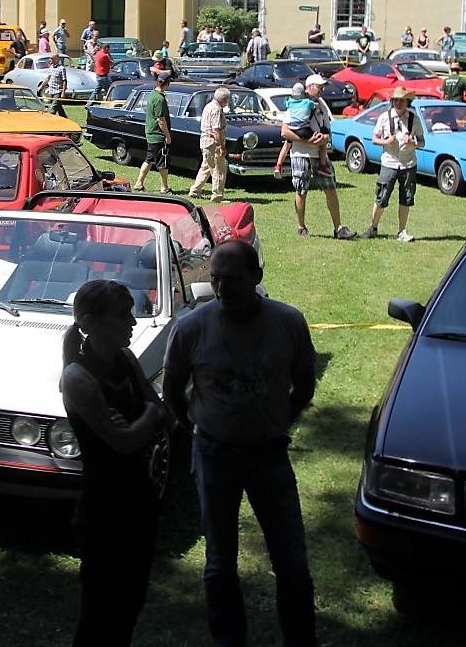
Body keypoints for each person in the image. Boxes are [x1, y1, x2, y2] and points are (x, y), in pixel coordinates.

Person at [162, 239, 319, 647]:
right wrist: (197, 428)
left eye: (232, 280)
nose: (221, 289)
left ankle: (300, 639)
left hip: (269, 454)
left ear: (257, 277)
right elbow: (173, 390)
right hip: (214, 455)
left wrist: (278, 420)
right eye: (215, 279)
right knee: (219, 564)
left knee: (292, 562)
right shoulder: (192, 328)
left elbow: (305, 382)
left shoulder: (288, 322)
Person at [61, 279, 173, 647]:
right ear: (90, 323)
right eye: (122, 315)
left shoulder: (124, 360)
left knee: (130, 601)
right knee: (101, 608)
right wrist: (147, 419)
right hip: (103, 509)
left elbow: (159, 410)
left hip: (138, 499)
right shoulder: (77, 377)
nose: (133, 322)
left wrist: (146, 418)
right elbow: (126, 439)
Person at [283, 75, 355, 240]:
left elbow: (327, 130)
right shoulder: (297, 103)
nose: (322, 89)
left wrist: (324, 138)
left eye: (323, 87)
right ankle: (301, 227)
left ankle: (339, 228)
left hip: (319, 153)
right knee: (301, 190)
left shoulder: (322, 104)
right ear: (309, 87)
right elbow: (285, 131)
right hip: (301, 153)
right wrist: (306, 139)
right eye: (319, 86)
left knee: (331, 188)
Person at [366, 87, 425, 241]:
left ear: (407, 102)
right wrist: (386, 141)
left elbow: (422, 142)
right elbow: (374, 138)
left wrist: (413, 142)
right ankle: (373, 227)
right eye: (396, 100)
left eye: (402, 100)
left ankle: (402, 231)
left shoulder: (414, 119)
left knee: (406, 198)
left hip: (408, 164)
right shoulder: (384, 117)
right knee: (382, 197)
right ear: (392, 101)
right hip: (389, 163)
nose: (398, 103)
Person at [132, 74, 173, 194]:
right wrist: (167, 136)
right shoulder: (159, 99)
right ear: (167, 84)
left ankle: (139, 183)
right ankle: (164, 188)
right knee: (163, 162)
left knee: (149, 159)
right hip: (157, 135)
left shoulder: (153, 94)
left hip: (150, 133)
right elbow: (161, 120)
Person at [188, 87, 230, 202]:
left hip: (205, 142)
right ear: (224, 100)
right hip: (213, 143)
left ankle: (195, 190)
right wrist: (221, 146)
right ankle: (217, 195)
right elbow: (216, 130)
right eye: (227, 100)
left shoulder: (208, 106)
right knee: (219, 169)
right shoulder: (216, 110)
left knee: (206, 167)